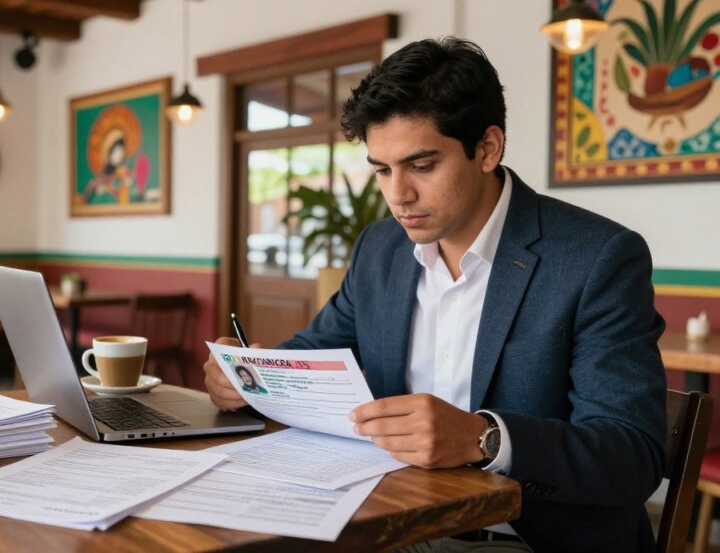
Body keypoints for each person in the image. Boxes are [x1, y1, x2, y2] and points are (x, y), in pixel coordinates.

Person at [204, 37, 666, 552]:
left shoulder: (596, 257)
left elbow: (633, 456)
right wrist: (251, 375)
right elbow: (315, 352)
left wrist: (481, 438)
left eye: (421, 166)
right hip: (387, 517)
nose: (397, 194)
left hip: (528, 537)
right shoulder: (380, 248)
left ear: (488, 148)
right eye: (382, 169)